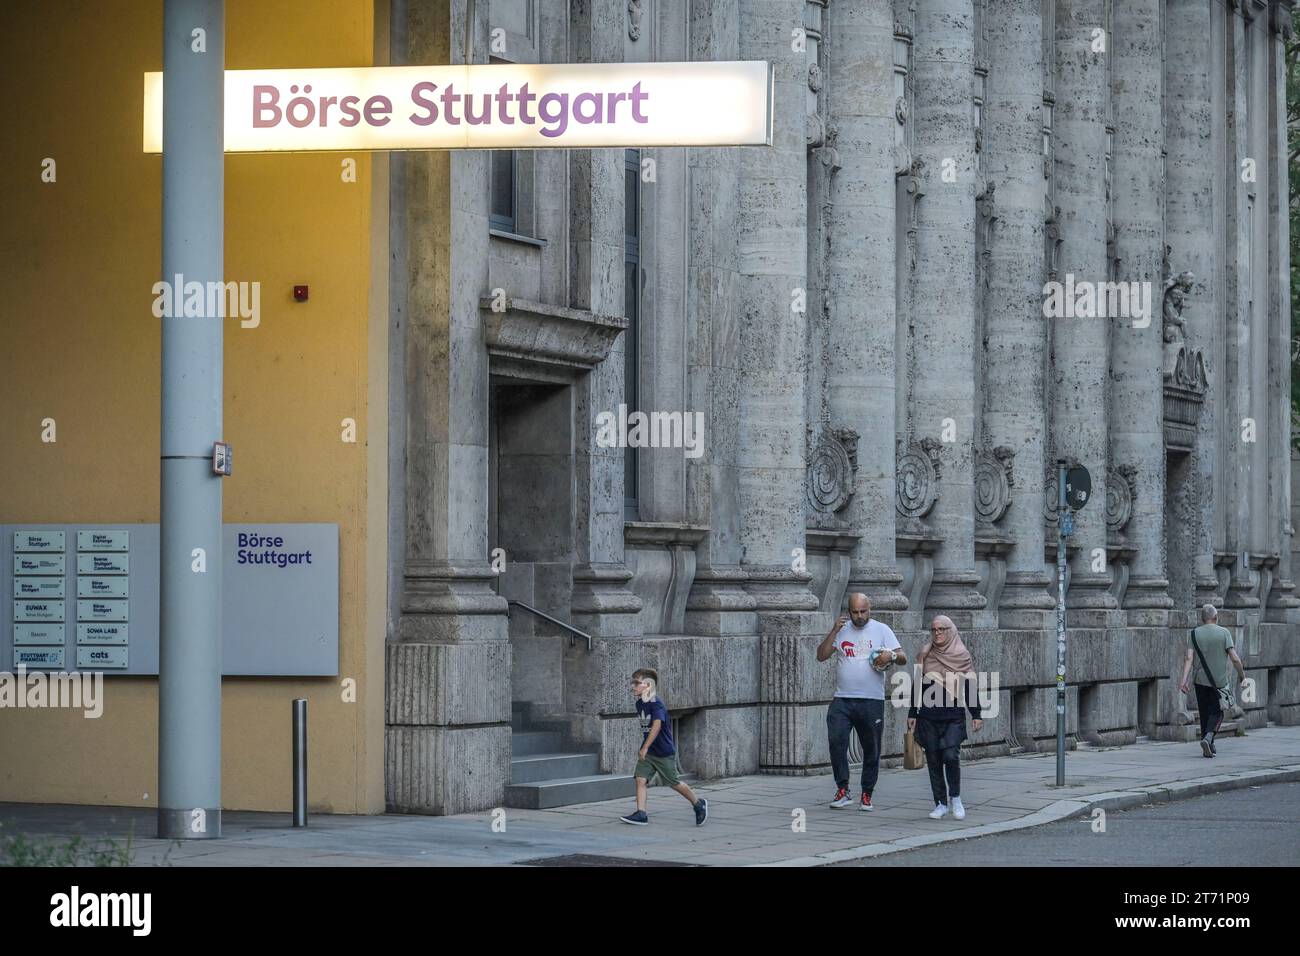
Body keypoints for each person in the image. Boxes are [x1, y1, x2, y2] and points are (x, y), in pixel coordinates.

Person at [816, 593, 907, 811]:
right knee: (837, 741)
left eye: (863, 611)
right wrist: (834, 630)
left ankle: (867, 793)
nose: (859, 616)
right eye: (855, 612)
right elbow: (821, 655)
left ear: (869, 608)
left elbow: (902, 656)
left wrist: (890, 657)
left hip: (871, 700)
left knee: (871, 748)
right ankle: (843, 789)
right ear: (849, 611)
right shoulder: (842, 630)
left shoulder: (881, 630)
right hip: (843, 699)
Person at [907, 615, 983, 820]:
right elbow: (918, 683)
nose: (937, 633)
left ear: (951, 631)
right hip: (929, 716)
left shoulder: (961, 654)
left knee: (950, 756)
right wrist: (913, 712)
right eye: (934, 630)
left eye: (942, 629)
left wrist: (976, 713)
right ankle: (940, 803)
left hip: (953, 715)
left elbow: (969, 685)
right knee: (933, 760)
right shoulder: (926, 654)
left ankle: (955, 798)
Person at [620, 668, 708, 826]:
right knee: (640, 779)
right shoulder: (640, 703)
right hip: (649, 752)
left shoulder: (656, 704)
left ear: (647, 685)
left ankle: (698, 804)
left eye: (636, 683)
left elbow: (657, 725)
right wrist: (646, 748)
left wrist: (645, 747)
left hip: (663, 752)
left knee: (674, 782)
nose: (633, 686)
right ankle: (641, 814)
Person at [1179, 604, 1245, 758]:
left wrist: (1184, 680)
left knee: (1204, 713)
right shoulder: (1224, 633)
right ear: (1216, 617)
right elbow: (1235, 658)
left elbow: (1189, 658)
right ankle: (1209, 738)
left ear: (1202, 618)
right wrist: (1242, 676)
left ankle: (1208, 743)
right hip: (1219, 681)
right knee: (1218, 712)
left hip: (1199, 681)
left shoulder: (1194, 633)